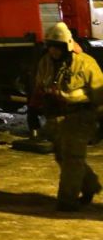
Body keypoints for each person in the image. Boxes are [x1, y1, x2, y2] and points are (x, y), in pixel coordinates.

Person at [29, 21, 103, 211]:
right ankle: (90, 185)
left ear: (66, 47)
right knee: (63, 156)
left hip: (80, 115)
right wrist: (34, 109)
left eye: (57, 48)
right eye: (51, 48)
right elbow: (39, 86)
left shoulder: (86, 64)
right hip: (58, 116)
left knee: (72, 158)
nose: (53, 52)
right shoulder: (46, 62)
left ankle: (67, 200)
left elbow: (99, 93)